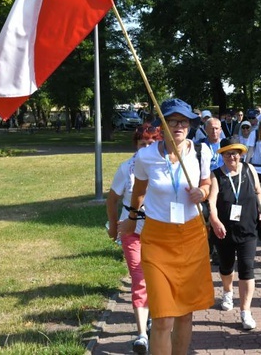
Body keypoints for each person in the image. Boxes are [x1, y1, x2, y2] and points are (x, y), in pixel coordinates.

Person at [119, 98, 214, 355]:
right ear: (162, 125)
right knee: (162, 317)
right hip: (157, 240)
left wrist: (202, 194)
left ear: (191, 125)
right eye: (172, 121)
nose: (178, 126)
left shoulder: (201, 152)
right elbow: (138, 192)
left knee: (184, 314)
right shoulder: (146, 156)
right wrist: (131, 219)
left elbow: (207, 183)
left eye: (183, 121)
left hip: (192, 237)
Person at [106, 123, 161, 354]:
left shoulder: (164, 166)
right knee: (139, 279)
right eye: (142, 144)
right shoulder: (126, 168)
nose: (146, 147)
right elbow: (112, 199)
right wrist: (112, 227)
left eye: (151, 143)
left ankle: (154, 320)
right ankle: (141, 335)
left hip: (160, 234)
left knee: (157, 280)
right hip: (133, 233)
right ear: (135, 146)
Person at [208, 138, 261, 330]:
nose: (231, 156)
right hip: (224, 230)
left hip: (248, 229)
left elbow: (259, 191)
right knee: (226, 267)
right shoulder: (216, 175)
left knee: (247, 268)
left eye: (235, 152)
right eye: (227, 153)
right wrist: (215, 221)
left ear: (240, 154)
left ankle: (245, 311)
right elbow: (211, 202)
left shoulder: (250, 169)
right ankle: (227, 291)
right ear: (222, 156)